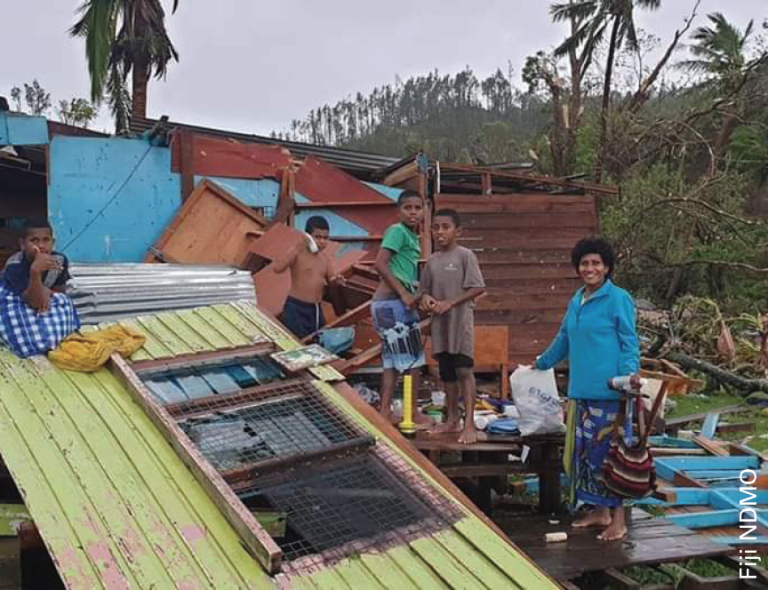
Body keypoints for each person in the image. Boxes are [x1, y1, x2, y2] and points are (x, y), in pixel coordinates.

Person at [534, 237, 639, 542]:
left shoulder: (617, 298)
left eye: (596, 263)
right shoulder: (577, 299)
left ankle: (618, 521)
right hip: (581, 392)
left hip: (610, 394)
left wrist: (627, 378)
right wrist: (539, 363)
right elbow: (563, 339)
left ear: (607, 267)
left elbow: (629, 341)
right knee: (585, 457)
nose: (589, 268)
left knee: (612, 458)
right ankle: (599, 512)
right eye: (584, 263)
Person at [419, 209, 486, 444]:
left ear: (458, 231)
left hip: (460, 324)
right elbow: (423, 291)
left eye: (445, 227)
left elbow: (478, 288)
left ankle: (469, 424)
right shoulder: (432, 262)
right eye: (435, 227)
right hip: (440, 327)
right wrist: (426, 299)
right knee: (446, 373)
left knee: (464, 371)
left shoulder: (465, 256)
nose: (440, 232)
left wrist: (450, 303)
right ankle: (452, 419)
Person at [372, 190, 426, 423]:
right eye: (408, 208)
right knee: (414, 362)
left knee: (392, 363)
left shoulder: (413, 237)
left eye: (417, 208)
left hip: (385, 306)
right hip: (393, 305)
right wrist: (404, 293)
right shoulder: (397, 231)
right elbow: (380, 264)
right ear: (399, 211)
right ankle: (411, 413)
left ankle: (384, 411)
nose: (413, 212)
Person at [0, 219, 80, 358]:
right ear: (22, 244)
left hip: (44, 302)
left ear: (53, 243)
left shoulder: (59, 260)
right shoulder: (14, 265)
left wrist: (48, 292)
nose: (41, 246)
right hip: (18, 301)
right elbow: (33, 302)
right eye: (34, 240)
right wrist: (35, 271)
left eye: (46, 240)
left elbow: (60, 293)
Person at [274, 216, 340, 339]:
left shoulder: (324, 259)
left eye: (325, 238)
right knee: (296, 342)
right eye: (317, 237)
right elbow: (277, 268)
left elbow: (331, 280)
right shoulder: (298, 253)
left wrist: (338, 281)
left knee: (316, 342)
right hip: (296, 308)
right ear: (308, 236)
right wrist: (298, 247)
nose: (322, 241)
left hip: (314, 309)